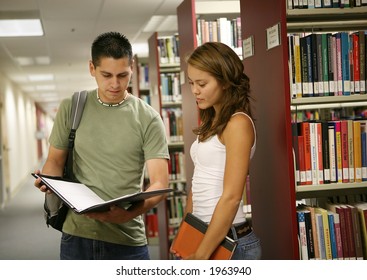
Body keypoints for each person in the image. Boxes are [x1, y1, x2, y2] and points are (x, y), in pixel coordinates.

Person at [34, 32, 170, 260]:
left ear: (132, 68)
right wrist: (50, 182)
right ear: (91, 68)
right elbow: (55, 161)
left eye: (122, 75)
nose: (115, 84)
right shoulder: (72, 107)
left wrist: (128, 215)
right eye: (106, 75)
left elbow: (159, 182)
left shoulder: (149, 118)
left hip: (127, 239)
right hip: (77, 236)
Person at [171, 42, 261, 260]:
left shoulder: (238, 123)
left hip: (229, 242)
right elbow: (198, 183)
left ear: (224, 81)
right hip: (200, 233)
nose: (195, 90)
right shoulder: (213, 121)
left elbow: (231, 197)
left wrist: (202, 254)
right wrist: (184, 234)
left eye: (202, 83)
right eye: (192, 83)